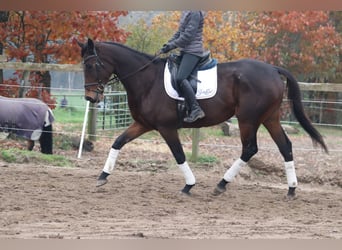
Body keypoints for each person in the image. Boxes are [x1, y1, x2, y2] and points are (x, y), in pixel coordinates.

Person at [160, 11, 206, 123]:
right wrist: (167, 45)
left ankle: (196, 109)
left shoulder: (195, 12)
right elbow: (180, 32)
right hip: (185, 51)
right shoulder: (187, 11)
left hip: (193, 52)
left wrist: (173, 45)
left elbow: (188, 35)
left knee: (180, 77)